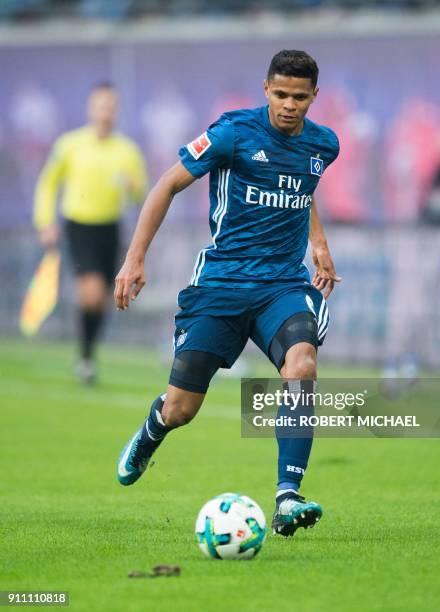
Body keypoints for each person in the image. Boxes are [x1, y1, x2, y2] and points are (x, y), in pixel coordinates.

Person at [115, 50, 340, 537]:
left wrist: (317, 242)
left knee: (301, 365)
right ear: (266, 90)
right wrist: (135, 258)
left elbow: (304, 184)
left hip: (282, 282)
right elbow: (166, 185)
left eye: (299, 98)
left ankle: (287, 497)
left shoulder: (325, 144)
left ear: (313, 98)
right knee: (182, 409)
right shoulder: (232, 133)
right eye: (280, 95)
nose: (289, 105)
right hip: (220, 284)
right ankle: (153, 430)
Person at [33, 82, 148, 384]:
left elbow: (144, 194)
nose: (105, 111)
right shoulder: (70, 145)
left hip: (110, 229)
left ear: (117, 109)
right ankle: (85, 357)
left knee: (102, 299)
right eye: (100, 104)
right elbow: (48, 183)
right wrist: (45, 222)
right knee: (94, 293)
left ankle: (87, 354)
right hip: (79, 225)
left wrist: (134, 187)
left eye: (110, 105)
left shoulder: (127, 150)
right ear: (90, 108)